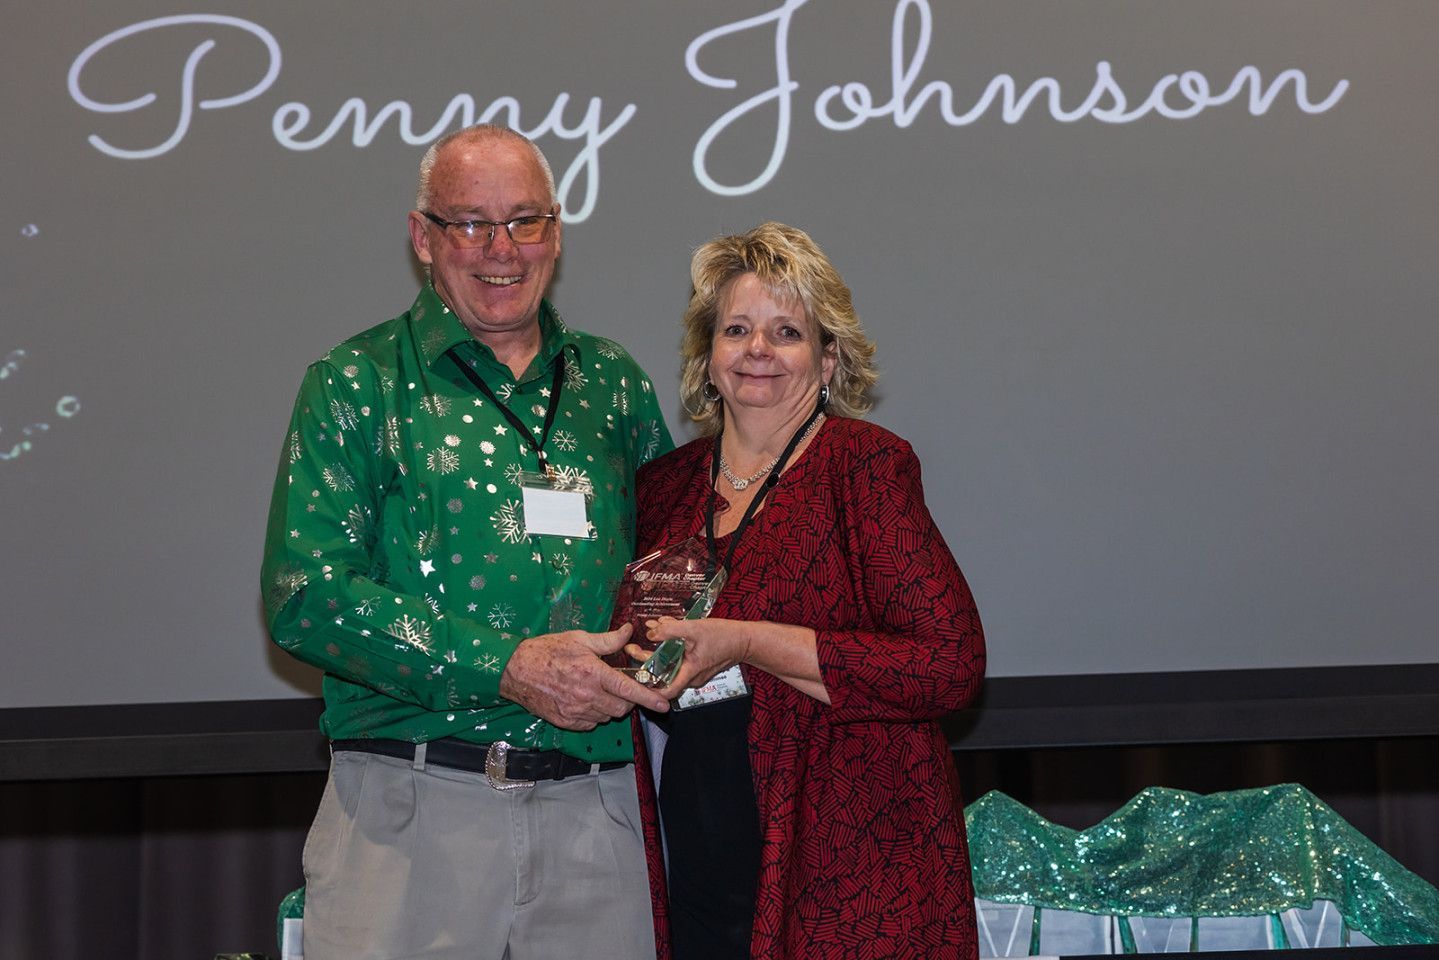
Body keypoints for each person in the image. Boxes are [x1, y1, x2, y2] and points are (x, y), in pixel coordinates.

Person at [260, 124, 673, 960]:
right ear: (423, 237)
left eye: (525, 221)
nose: (502, 250)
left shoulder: (614, 383)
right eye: (471, 224)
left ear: (556, 231)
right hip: (409, 815)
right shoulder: (357, 381)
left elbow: (667, 576)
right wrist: (510, 666)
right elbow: (306, 594)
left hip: (600, 817)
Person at [626, 222, 986, 959]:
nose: (757, 349)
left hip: (842, 863)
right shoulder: (660, 489)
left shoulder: (863, 467)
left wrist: (748, 640)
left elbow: (947, 665)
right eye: (736, 329)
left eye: (786, 331)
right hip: (689, 850)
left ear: (827, 360)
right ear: (707, 357)